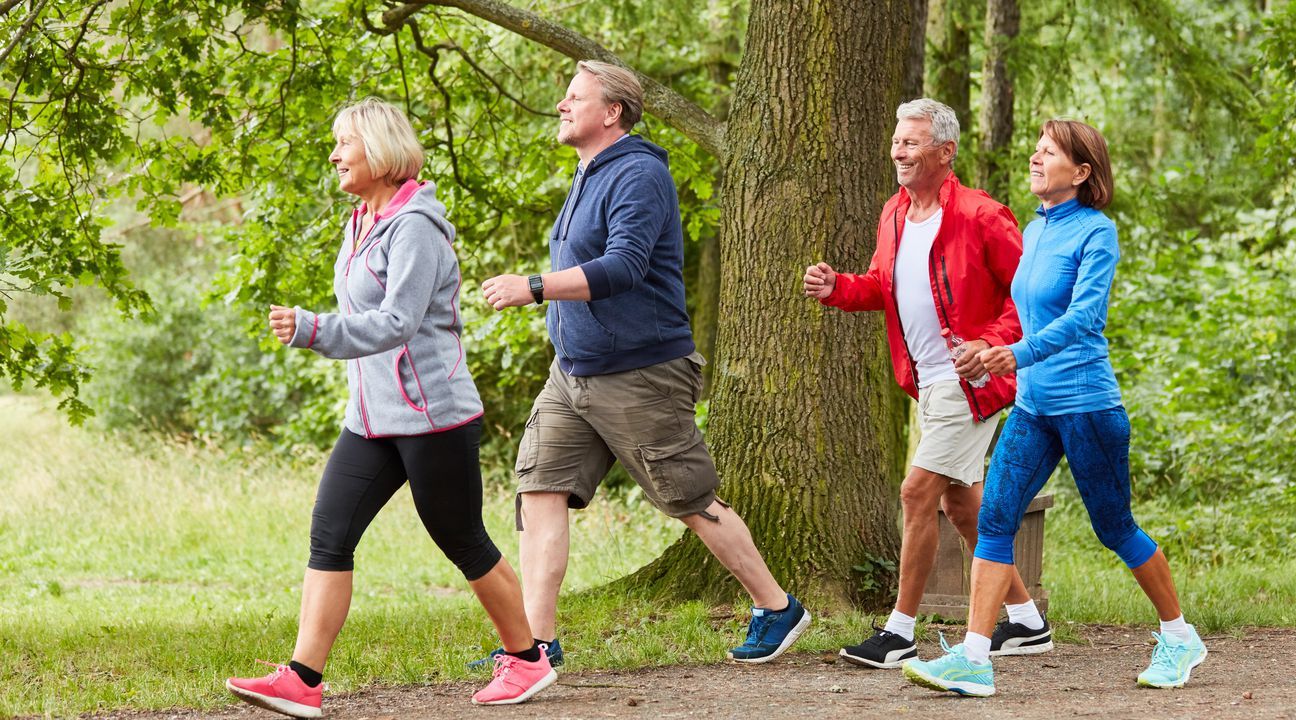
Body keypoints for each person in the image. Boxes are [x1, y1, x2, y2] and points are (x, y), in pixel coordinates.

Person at [224, 98, 554, 717]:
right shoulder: (362, 221)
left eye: (343, 143)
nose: (334, 154)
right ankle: (302, 678)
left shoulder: (416, 227)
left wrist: (314, 329)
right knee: (330, 533)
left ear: (377, 150)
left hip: (433, 416)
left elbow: (398, 321)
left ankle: (528, 660)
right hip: (372, 419)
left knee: (461, 538)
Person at [478, 61, 809, 666]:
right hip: (572, 371)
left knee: (688, 497)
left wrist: (536, 285)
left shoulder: (637, 173)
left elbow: (625, 266)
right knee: (540, 489)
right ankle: (534, 648)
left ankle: (777, 605)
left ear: (612, 112)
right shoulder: (587, 173)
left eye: (574, 96)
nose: (561, 104)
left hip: (640, 372)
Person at [903, 119, 1208, 697]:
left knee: (1114, 527)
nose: (1036, 159)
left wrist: (1013, 354)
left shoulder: (1097, 233)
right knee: (995, 518)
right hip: (1034, 406)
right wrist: (988, 348)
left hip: (1087, 404)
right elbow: (1022, 311)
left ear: (1082, 172)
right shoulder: (1036, 229)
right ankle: (973, 658)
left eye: (1050, 153)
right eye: (1036, 151)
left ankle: (1179, 635)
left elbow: (1085, 319)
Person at [803, 98, 1049, 670]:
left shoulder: (984, 216)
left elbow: (1030, 298)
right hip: (927, 384)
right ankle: (1029, 623)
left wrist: (991, 347)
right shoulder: (893, 212)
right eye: (896, 141)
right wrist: (837, 286)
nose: (897, 151)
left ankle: (900, 630)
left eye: (911, 143)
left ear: (945, 151)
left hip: (973, 384)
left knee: (916, 493)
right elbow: (881, 285)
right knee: (963, 508)